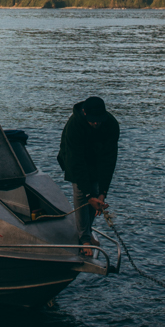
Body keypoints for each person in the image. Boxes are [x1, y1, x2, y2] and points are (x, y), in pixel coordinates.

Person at [57, 96, 120, 255]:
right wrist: (88, 194)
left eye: (99, 120)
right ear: (85, 114)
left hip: (97, 157)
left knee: (96, 192)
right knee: (81, 192)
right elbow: (76, 162)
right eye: (93, 120)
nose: (96, 123)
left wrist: (102, 193)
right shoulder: (74, 126)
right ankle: (84, 238)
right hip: (73, 157)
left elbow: (109, 160)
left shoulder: (111, 125)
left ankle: (87, 231)